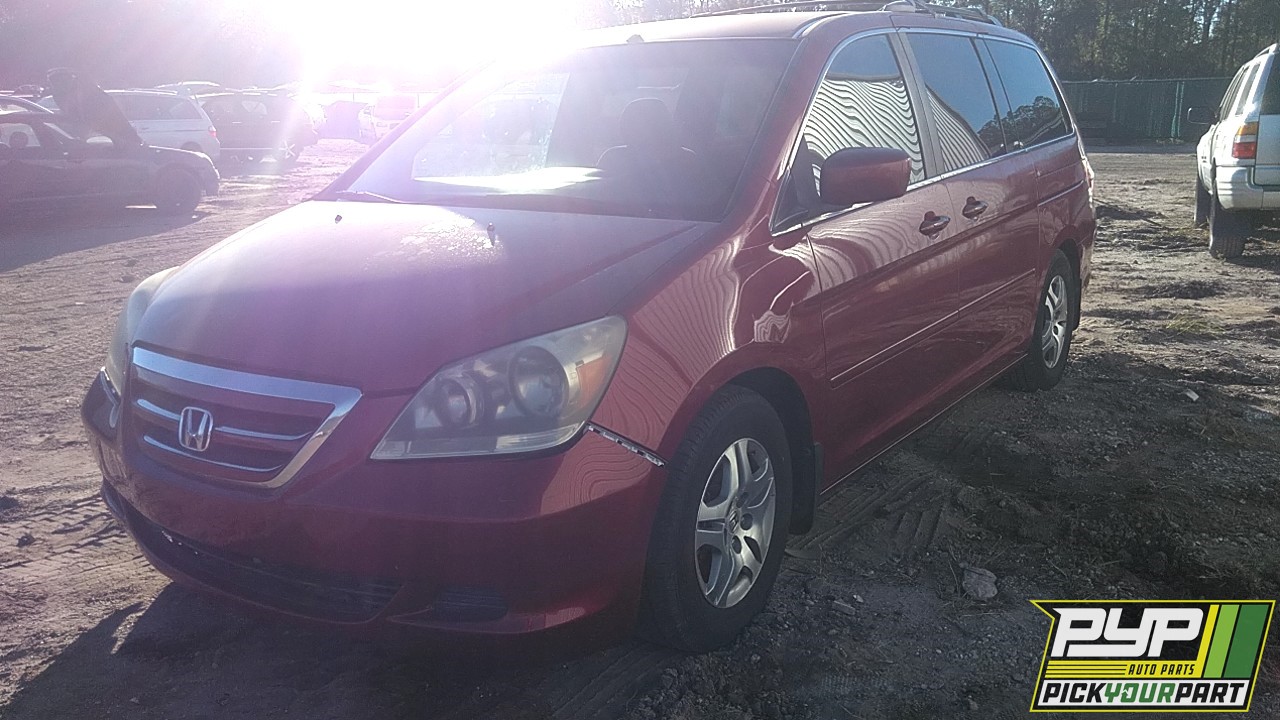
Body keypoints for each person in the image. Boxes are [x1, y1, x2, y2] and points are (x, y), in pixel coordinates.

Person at [45, 68, 143, 148]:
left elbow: (112, 120)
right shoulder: (59, 94)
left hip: (111, 134)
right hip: (92, 138)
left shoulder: (91, 93)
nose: (56, 85)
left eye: (60, 81)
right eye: (53, 83)